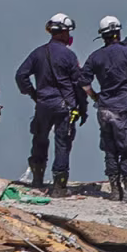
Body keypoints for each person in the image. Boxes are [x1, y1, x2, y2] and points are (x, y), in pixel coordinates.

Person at [14, 13, 87, 198]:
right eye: (68, 32)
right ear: (62, 32)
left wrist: (34, 94)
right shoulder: (69, 55)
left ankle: (37, 181)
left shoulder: (38, 53)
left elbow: (21, 75)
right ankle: (59, 187)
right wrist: (82, 108)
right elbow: (79, 84)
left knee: (39, 140)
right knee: (62, 144)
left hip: (43, 105)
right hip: (64, 107)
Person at [81, 16, 127, 201]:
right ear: (118, 33)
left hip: (105, 109)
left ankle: (115, 190)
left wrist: (95, 97)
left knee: (110, 150)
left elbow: (84, 82)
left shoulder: (95, 57)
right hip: (125, 108)